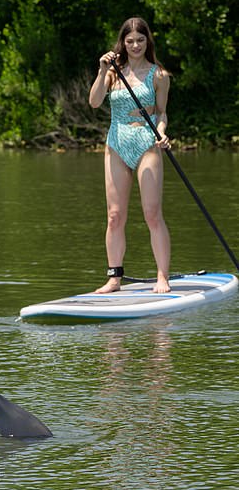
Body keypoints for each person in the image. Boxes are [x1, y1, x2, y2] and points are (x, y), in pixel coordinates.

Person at [89, 17, 172, 294]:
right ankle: (114, 277)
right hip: (116, 142)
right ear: (122, 43)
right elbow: (94, 102)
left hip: (146, 143)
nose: (135, 45)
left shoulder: (158, 75)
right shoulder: (113, 71)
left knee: (151, 213)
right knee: (114, 215)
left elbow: (161, 112)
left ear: (148, 41)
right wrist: (102, 72)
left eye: (140, 40)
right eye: (130, 41)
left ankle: (162, 276)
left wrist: (161, 132)